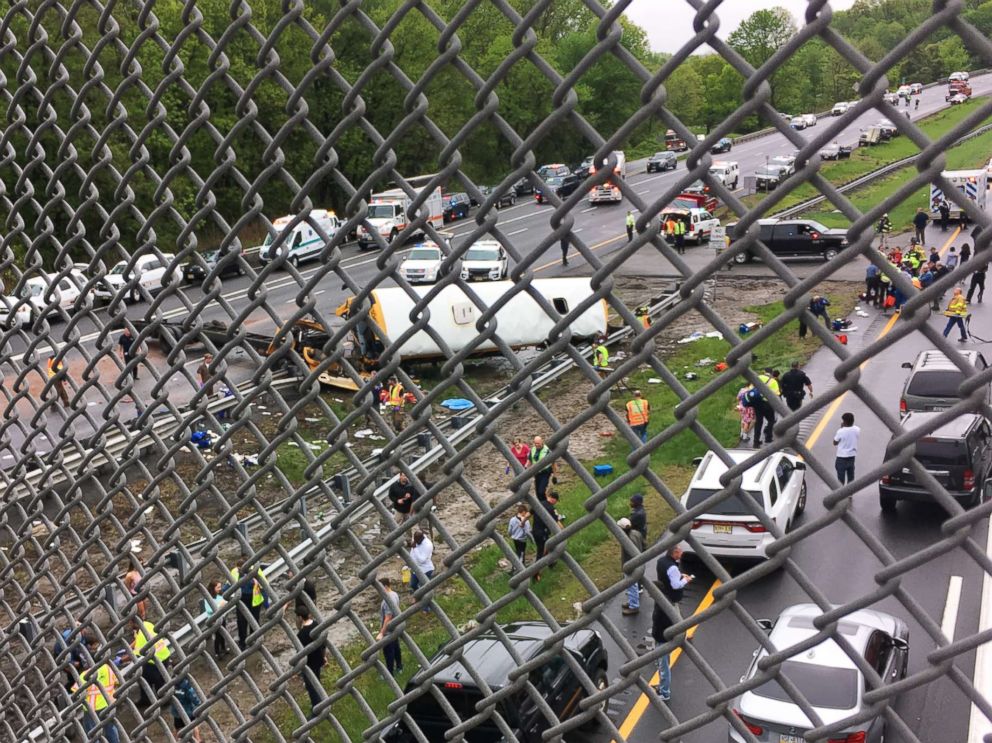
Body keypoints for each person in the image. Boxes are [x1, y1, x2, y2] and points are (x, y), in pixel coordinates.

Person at [653, 545, 694, 701]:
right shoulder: (673, 568)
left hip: (663, 620)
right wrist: (686, 579)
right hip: (670, 608)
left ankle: (664, 690)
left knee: (677, 617)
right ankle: (665, 692)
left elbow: (667, 578)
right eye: (679, 551)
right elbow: (676, 584)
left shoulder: (661, 562)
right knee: (664, 665)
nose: (681, 554)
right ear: (674, 552)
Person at [73, 632, 121, 743]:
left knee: (92, 732)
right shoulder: (107, 668)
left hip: (91, 709)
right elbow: (116, 682)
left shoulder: (84, 675)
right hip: (108, 704)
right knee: (111, 728)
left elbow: (76, 693)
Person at [130, 616, 171, 708]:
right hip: (164, 655)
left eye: (130, 622)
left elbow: (136, 653)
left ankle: (162, 701)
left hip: (155, 661)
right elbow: (137, 641)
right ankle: (150, 699)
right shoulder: (147, 624)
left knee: (155, 681)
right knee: (154, 679)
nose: (130, 625)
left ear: (134, 623)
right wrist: (129, 646)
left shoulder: (141, 634)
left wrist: (120, 659)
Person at [296, 607, 326, 718]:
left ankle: (317, 707)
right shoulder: (317, 625)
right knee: (317, 680)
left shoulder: (301, 634)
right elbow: (323, 643)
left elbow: (300, 652)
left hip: (308, 663)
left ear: (299, 617)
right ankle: (322, 701)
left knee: (310, 686)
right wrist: (324, 655)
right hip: (318, 658)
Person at [231, 559, 266, 651]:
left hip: (254, 600)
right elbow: (228, 584)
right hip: (241, 600)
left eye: (240, 569)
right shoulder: (234, 571)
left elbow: (264, 584)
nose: (239, 571)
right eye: (238, 569)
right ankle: (242, 642)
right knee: (241, 622)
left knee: (254, 621)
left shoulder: (255, 570)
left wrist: (257, 583)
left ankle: (254, 640)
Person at [168, 659, 203, 742]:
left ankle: (174, 740)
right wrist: (199, 703)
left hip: (176, 711)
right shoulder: (186, 683)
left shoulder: (172, 680)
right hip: (188, 711)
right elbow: (192, 695)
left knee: (177, 728)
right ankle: (197, 740)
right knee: (194, 726)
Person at [531, 492, 562, 581]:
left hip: (535, 531)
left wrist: (522, 522)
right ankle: (535, 573)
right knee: (541, 551)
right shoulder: (551, 508)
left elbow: (529, 514)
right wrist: (563, 531)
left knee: (549, 547)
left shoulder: (539, 504)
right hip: (542, 533)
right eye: (556, 501)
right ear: (553, 499)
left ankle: (550, 563)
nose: (555, 503)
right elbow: (557, 521)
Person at [618, 517, 644, 616]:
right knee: (633, 586)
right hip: (638, 561)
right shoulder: (636, 533)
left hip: (630, 565)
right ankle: (632, 601)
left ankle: (634, 606)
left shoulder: (626, 540)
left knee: (631, 586)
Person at [377, 578, 402, 676]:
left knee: (388, 651)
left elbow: (388, 617)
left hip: (388, 629)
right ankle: (399, 667)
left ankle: (389, 673)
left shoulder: (388, 599)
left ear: (385, 586)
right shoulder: (394, 594)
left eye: (379, 588)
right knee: (396, 648)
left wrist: (382, 633)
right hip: (395, 626)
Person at [752, 368, 780, 448]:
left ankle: (756, 441)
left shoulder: (758, 378)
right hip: (768, 403)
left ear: (764, 372)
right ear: (771, 373)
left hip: (757, 403)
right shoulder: (773, 381)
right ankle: (768, 437)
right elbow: (776, 393)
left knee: (758, 422)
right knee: (771, 420)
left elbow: (751, 389)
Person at [832, 412, 860, 485]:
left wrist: (841, 428)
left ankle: (841, 493)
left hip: (841, 457)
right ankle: (850, 493)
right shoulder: (857, 429)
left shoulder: (840, 431)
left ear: (844, 421)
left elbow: (835, 442)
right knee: (851, 476)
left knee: (841, 478)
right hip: (852, 457)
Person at [203, 580, 229, 658]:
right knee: (217, 636)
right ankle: (217, 652)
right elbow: (209, 610)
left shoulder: (219, 595)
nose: (220, 589)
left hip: (221, 617)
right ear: (213, 588)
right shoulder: (208, 598)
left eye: (220, 587)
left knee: (223, 634)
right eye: (218, 587)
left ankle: (223, 648)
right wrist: (219, 605)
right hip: (214, 620)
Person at [528, 436, 556, 500]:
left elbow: (553, 463)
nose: (536, 445)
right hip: (536, 473)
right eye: (535, 443)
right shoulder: (533, 449)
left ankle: (545, 503)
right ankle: (542, 504)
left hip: (545, 473)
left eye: (538, 443)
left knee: (541, 491)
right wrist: (525, 469)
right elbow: (530, 460)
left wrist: (555, 476)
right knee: (537, 492)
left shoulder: (547, 450)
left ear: (542, 442)